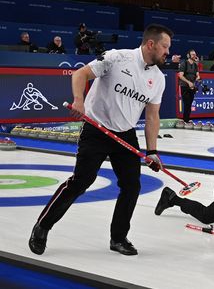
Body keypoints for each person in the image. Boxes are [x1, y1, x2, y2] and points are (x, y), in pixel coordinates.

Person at [28, 24, 174, 256]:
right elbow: (80, 73)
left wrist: (152, 151)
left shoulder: (158, 78)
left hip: (125, 134)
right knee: (81, 181)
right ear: (151, 44)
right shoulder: (117, 58)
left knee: (132, 186)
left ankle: (118, 238)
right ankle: (43, 226)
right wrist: (78, 100)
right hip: (97, 130)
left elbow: (152, 115)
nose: (168, 52)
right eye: (165, 47)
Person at [178, 49, 201, 122]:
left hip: (192, 87)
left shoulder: (195, 65)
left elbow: (198, 75)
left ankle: (187, 119)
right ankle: (185, 120)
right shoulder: (184, 63)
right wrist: (188, 82)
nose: (195, 56)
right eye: (193, 54)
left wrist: (197, 78)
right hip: (184, 86)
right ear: (188, 55)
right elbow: (180, 75)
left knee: (190, 103)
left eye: (195, 54)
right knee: (187, 103)